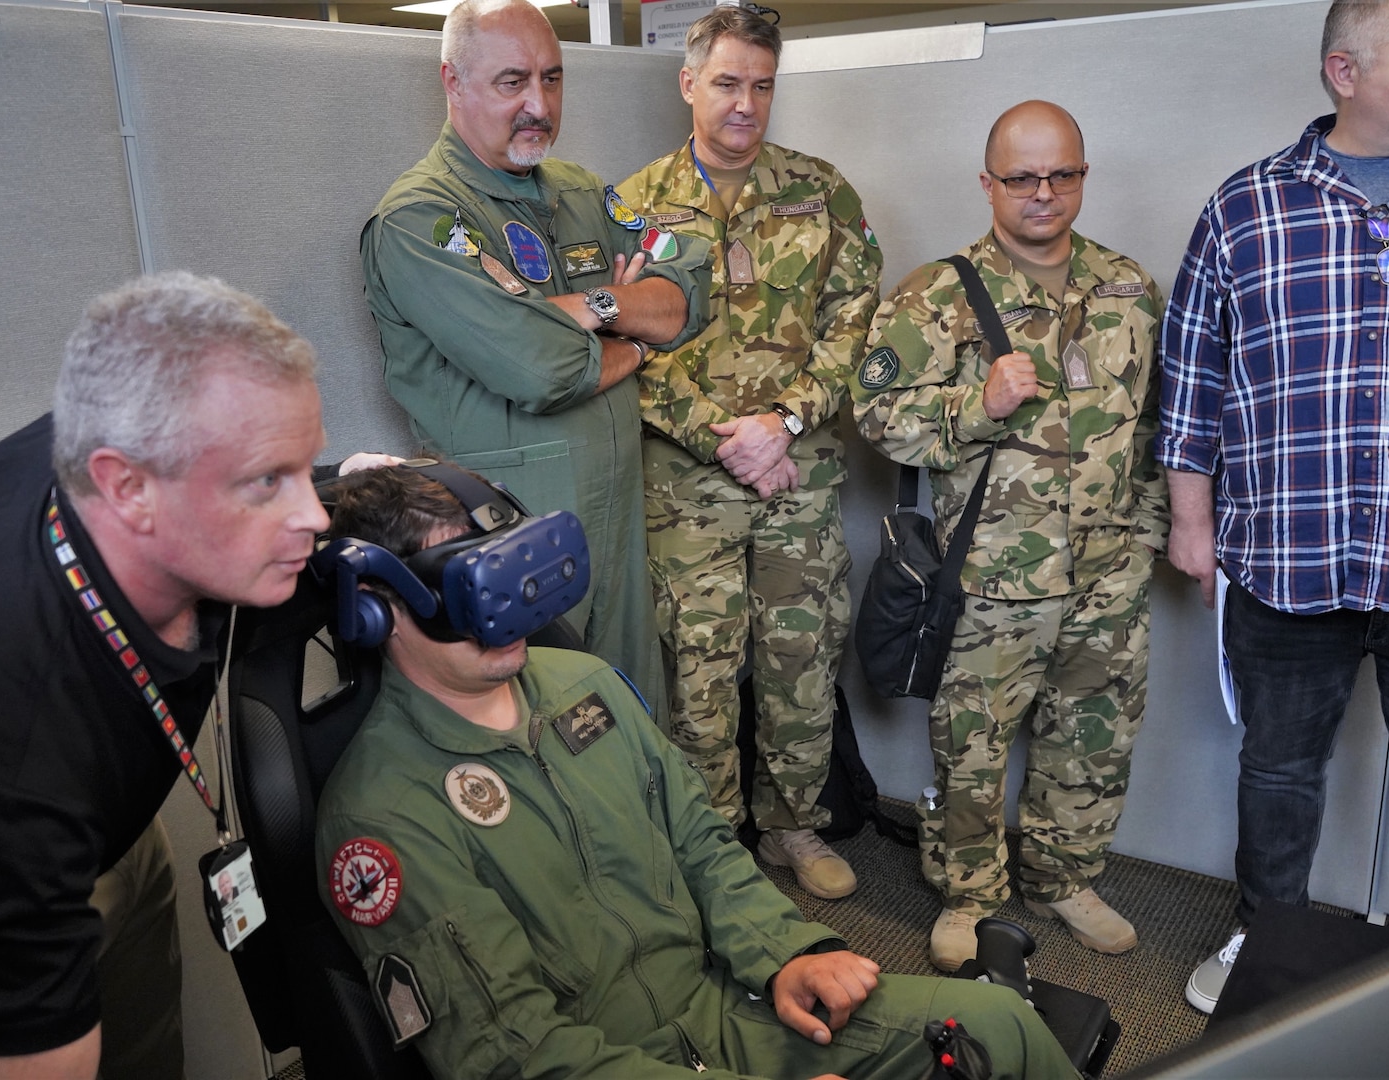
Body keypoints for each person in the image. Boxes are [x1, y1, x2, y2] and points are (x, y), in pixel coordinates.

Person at [313, 464, 1077, 1080]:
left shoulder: (589, 689)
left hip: (724, 1004)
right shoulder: (382, 813)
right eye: (467, 589)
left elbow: (705, 847)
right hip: (599, 1060)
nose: (506, 614)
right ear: (379, 606)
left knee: (996, 1024)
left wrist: (786, 955)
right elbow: (513, 1054)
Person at [0, 272, 397, 1079]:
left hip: (108, 823)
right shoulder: (6, 740)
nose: (316, 515)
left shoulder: (121, 449)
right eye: (271, 481)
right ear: (127, 487)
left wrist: (341, 474)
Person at [1159, 0, 1389, 1015]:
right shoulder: (1246, 206)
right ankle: (1265, 948)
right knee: (1278, 773)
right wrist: (1190, 519)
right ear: (1343, 72)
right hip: (1287, 550)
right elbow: (1193, 370)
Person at [852, 102, 1169, 972]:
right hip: (992, 574)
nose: (1043, 194)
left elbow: (1155, 428)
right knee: (974, 742)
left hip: (1107, 569)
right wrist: (975, 406)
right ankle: (971, 894)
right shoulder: (935, 295)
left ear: (1082, 176)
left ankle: (1066, 875)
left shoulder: (1129, 289)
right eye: (1022, 177)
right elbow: (877, 417)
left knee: (1093, 732)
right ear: (987, 183)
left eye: (1061, 174)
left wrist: (1144, 534)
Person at [360, 0, 711, 719]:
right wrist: (639, 337)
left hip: (618, 514)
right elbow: (542, 369)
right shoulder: (422, 221)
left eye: (552, 79)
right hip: (514, 533)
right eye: (512, 81)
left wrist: (602, 311)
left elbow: (694, 286)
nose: (539, 105)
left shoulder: (582, 193)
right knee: (549, 731)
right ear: (452, 82)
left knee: (636, 718)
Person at [612, 7, 883, 900]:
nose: (745, 105)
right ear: (688, 82)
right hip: (686, 490)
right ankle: (713, 843)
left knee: (801, 663)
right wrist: (721, 439)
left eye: (762, 86)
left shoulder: (823, 192)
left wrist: (785, 423)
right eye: (728, 83)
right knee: (700, 670)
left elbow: (856, 326)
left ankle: (792, 828)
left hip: (795, 477)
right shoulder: (629, 207)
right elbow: (622, 351)